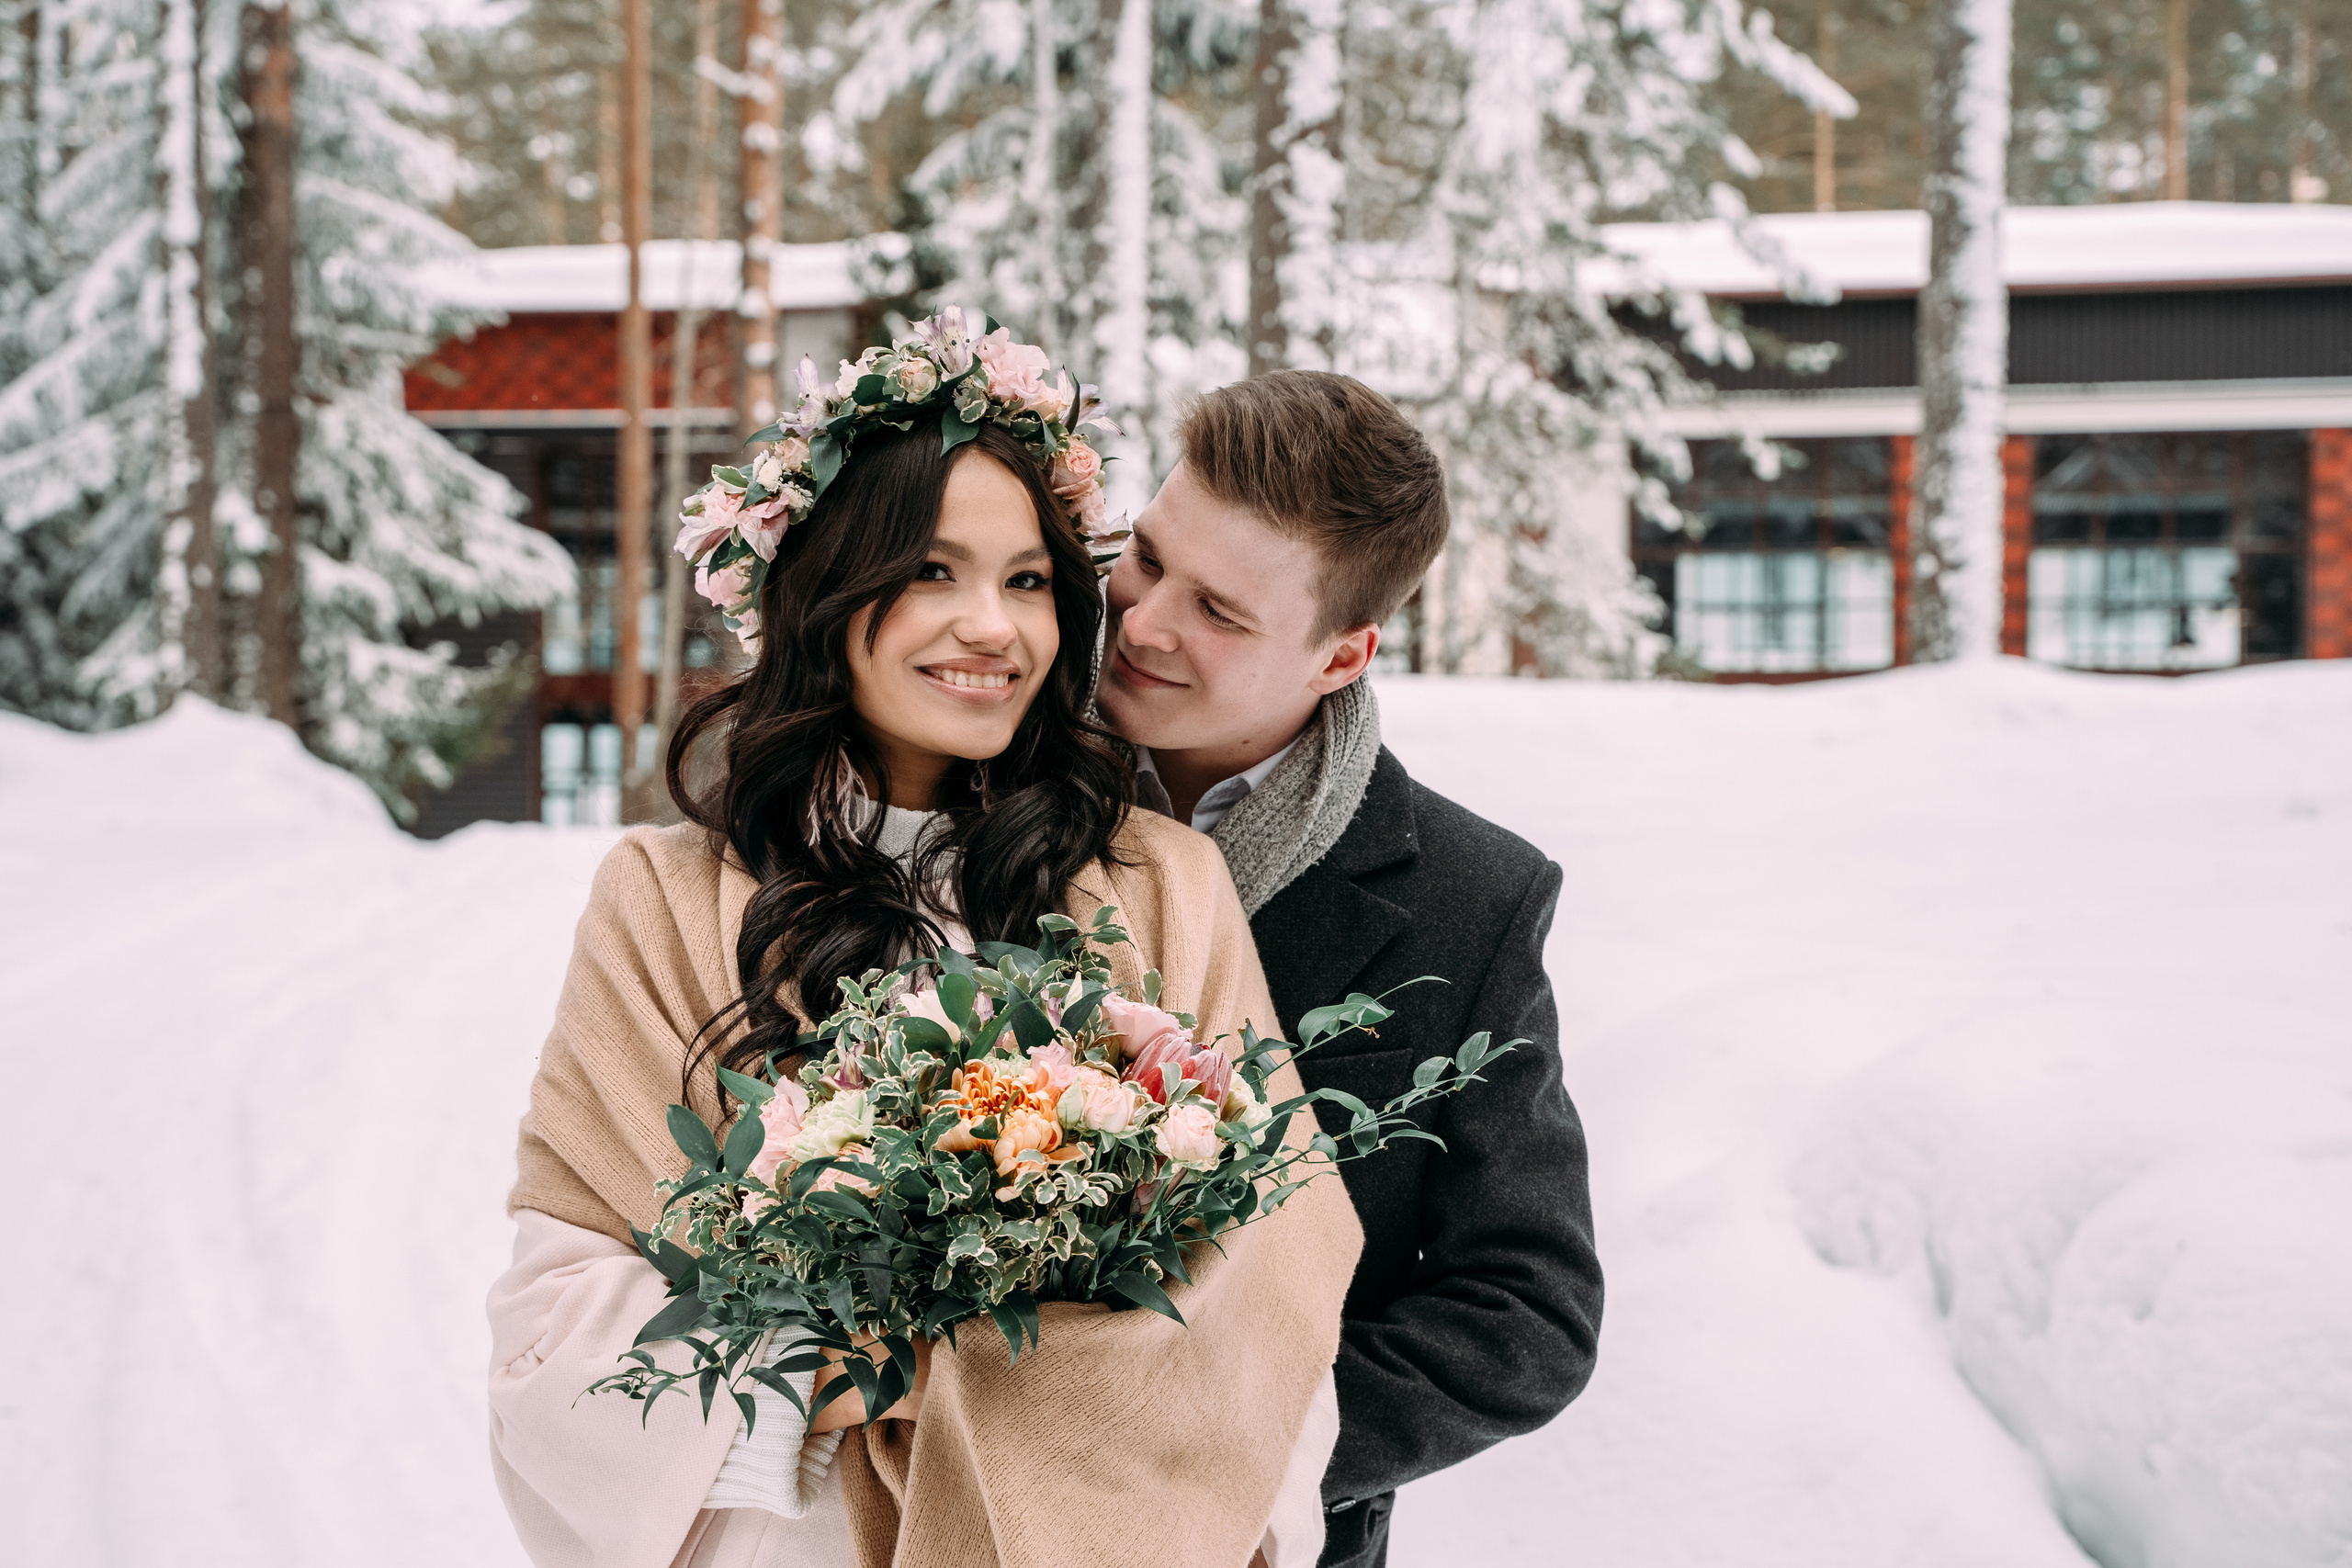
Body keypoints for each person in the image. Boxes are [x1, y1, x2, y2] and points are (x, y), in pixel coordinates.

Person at [486, 320, 1362, 1568]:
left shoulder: (1163, 882)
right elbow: (558, 1316)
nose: (992, 627)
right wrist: (836, 1370)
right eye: (933, 572)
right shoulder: (667, 898)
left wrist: (1033, 1360)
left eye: (1027, 581)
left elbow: (1277, 1276)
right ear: (823, 594)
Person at [1093, 370, 1605, 1568]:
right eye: (1147, 556)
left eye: (1219, 611)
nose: (1145, 621)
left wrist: (1231, 1446)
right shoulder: (968, 771)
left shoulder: (1471, 903)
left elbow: (1526, 1314)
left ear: (1343, 655)